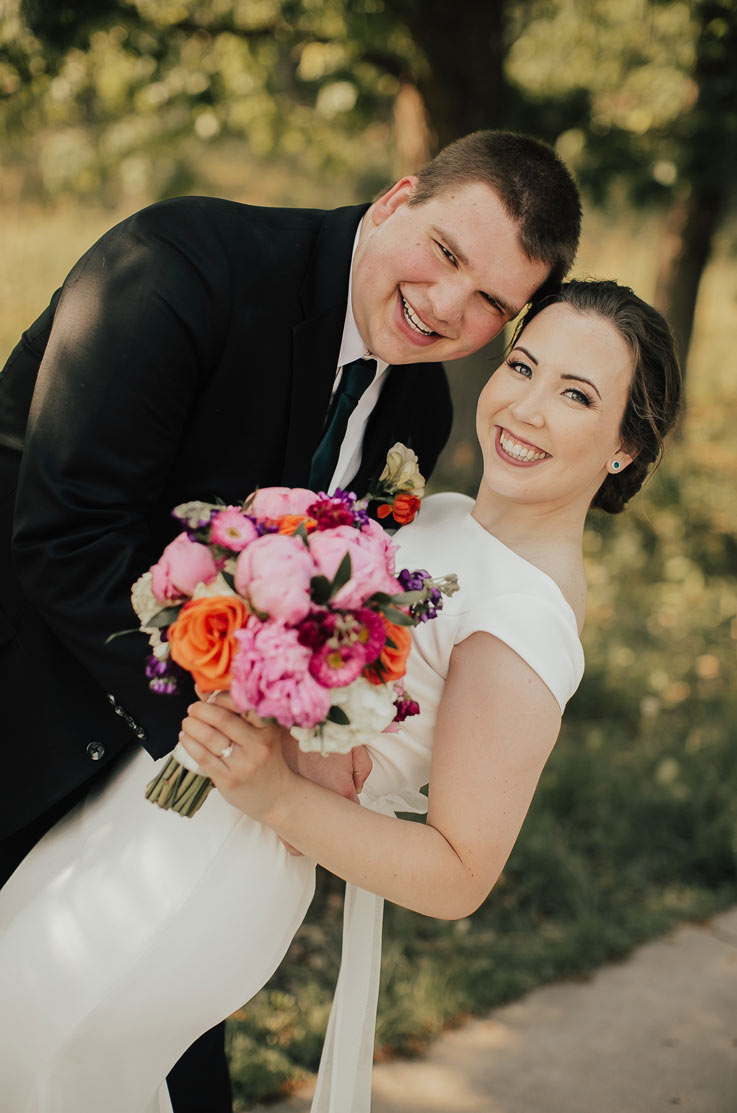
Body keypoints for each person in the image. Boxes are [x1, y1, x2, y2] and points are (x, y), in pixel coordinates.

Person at [0, 130, 582, 1111]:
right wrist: (252, 725)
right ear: (398, 199)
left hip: (167, 801)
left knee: (141, 1056)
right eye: (444, 253)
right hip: (26, 698)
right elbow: (65, 537)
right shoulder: (177, 268)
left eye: (491, 302)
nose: (447, 307)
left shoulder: (416, 414)